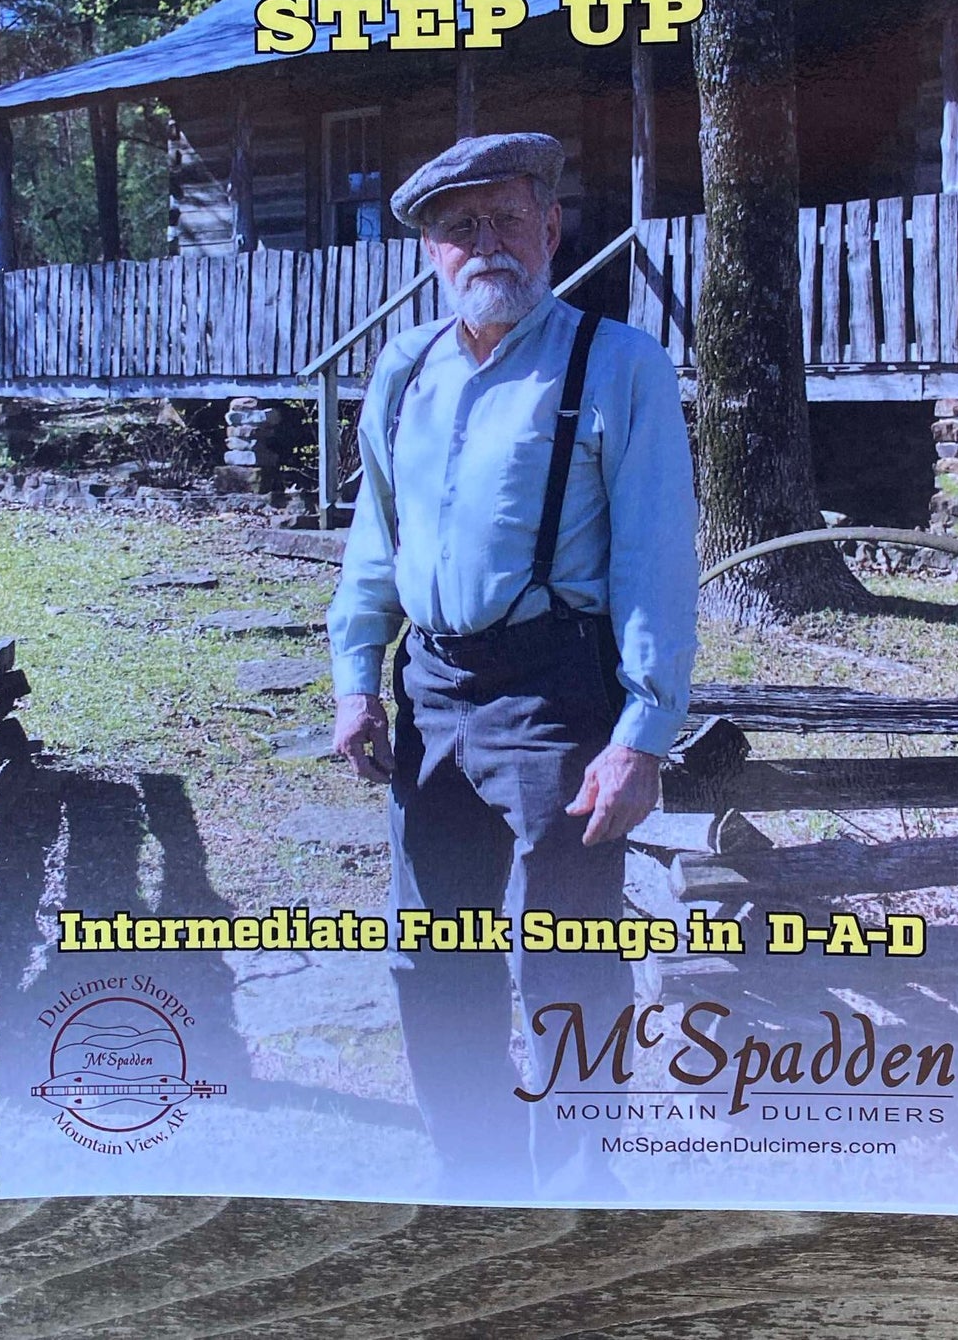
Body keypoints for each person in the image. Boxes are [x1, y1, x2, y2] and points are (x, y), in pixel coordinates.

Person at [327, 131, 699, 1201]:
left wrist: (642, 733)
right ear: (430, 252)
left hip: (555, 694)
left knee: (567, 954)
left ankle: (586, 1191)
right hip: (431, 689)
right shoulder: (402, 373)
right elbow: (375, 542)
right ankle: (473, 1176)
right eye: (457, 228)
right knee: (428, 952)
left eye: (503, 220)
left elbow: (655, 557)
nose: (483, 244)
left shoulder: (614, 363)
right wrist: (358, 675)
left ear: (548, 227)